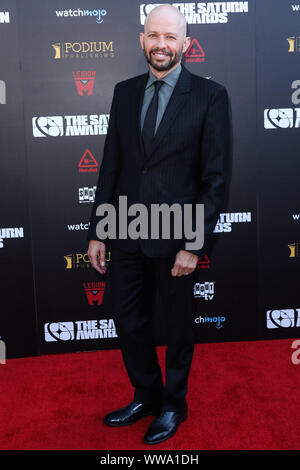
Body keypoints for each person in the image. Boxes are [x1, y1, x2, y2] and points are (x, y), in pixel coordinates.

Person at [87, 4, 230, 445]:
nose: (161, 45)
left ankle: (173, 405)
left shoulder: (210, 96)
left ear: (185, 45)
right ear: (142, 40)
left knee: (178, 327)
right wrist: (97, 230)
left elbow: (216, 177)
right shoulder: (123, 92)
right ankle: (146, 394)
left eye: (171, 37)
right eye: (154, 36)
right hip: (126, 231)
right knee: (129, 322)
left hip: (177, 239)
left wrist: (194, 243)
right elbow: (110, 165)